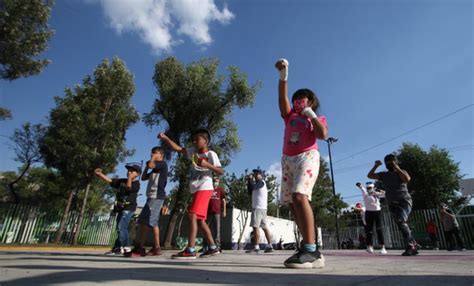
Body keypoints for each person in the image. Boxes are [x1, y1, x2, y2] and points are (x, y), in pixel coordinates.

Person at [275, 58, 328, 269]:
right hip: (287, 160)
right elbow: (282, 97)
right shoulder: (289, 117)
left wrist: (312, 116)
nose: (299, 101)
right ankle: (308, 247)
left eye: (303, 98)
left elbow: (323, 135)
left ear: (312, 102)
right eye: (297, 98)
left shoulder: (316, 118)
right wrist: (283, 75)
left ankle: (311, 250)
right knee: (291, 202)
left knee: (300, 195)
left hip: (307, 156)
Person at [159, 129, 224, 259]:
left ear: (205, 141)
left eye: (197, 139)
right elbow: (178, 149)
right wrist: (165, 138)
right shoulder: (193, 152)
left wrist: (207, 164)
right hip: (196, 189)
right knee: (200, 220)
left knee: (192, 215)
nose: (194, 142)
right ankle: (212, 247)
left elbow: (220, 171)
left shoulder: (211, 154)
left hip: (205, 187)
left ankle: (191, 249)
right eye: (193, 139)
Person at [368, 154, 418, 256]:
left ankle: (410, 246)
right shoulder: (384, 175)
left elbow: (407, 179)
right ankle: (414, 243)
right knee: (401, 224)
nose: (389, 164)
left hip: (404, 200)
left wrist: (397, 168)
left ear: (396, 162)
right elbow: (370, 176)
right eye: (387, 162)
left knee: (401, 221)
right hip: (392, 203)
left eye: (391, 162)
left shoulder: (401, 172)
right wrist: (376, 166)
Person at [126, 147, 168, 257]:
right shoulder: (155, 169)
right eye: (152, 153)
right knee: (144, 221)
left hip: (157, 196)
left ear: (161, 155)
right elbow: (144, 177)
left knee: (149, 221)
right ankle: (144, 247)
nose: (152, 154)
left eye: (155, 153)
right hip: (151, 197)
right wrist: (146, 167)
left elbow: (151, 165)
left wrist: (152, 159)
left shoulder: (162, 164)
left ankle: (152, 248)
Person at [95, 163, 141, 255]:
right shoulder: (122, 181)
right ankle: (118, 247)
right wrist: (100, 175)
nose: (129, 172)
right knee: (120, 228)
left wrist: (129, 178)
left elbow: (128, 188)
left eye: (132, 171)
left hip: (128, 208)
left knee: (121, 227)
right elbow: (111, 181)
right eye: (128, 170)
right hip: (120, 208)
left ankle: (126, 247)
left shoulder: (136, 183)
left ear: (138, 174)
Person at [246, 168, 274, 253]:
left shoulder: (261, 182)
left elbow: (253, 186)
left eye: (257, 174)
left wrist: (250, 179)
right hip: (263, 209)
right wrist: (249, 181)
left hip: (258, 208)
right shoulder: (260, 184)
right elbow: (250, 191)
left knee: (255, 227)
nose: (255, 175)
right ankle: (270, 246)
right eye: (254, 174)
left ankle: (256, 247)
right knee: (264, 227)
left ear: (261, 175)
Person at [356, 182, 387, 254]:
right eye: (368, 188)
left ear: (373, 188)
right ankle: (369, 247)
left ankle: (383, 247)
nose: (368, 189)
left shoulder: (377, 194)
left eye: (370, 188)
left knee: (379, 229)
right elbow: (361, 187)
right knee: (369, 231)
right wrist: (359, 185)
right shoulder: (365, 193)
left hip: (377, 212)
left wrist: (382, 191)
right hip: (368, 212)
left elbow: (386, 194)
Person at [206, 177, 226, 251]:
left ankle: (217, 246)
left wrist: (224, 211)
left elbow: (224, 201)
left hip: (216, 212)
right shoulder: (208, 189)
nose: (215, 182)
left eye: (217, 181)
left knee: (216, 230)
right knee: (207, 229)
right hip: (208, 212)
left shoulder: (220, 190)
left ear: (219, 182)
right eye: (214, 181)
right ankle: (207, 245)